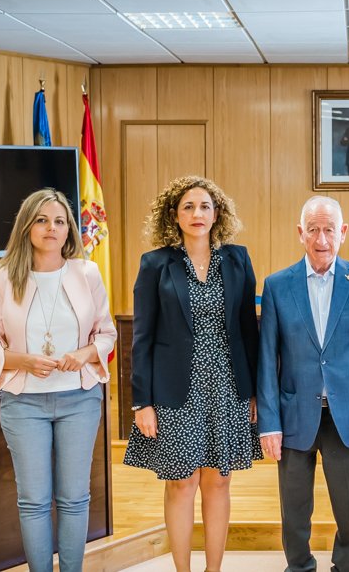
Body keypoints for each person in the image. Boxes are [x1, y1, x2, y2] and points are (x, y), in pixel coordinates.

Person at [123, 176, 262, 572]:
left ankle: (213, 569)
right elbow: (142, 336)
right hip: (173, 390)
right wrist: (141, 401)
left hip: (227, 385)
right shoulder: (155, 264)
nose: (197, 214)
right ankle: (183, 570)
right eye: (188, 206)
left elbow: (248, 330)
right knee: (181, 481)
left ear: (217, 213)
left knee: (218, 480)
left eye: (204, 206)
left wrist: (253, 391)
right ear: (174, 215)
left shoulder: (237, 259)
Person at [0, 188, 116, 572]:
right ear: (27, 227)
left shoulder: (86, 272)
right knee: (34, 501)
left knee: (74, 498)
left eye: (58, 221)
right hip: (24, 404)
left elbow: (107, 334)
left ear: (69, 230)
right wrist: (23, 360)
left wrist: (83, 354)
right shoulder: (4, 275)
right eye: (41, 220)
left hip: (79, 400)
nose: (50, 228)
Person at [256, 195, 349, 572]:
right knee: (294, 505)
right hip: (294, 410)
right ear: (300, 233)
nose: (321, 239)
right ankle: (299, 565)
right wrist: (268, 422)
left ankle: (347, 565)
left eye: (329, 230)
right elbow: (267, 359)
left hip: (347, 413)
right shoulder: (277, 285)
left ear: (343, 232)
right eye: (313, 230)